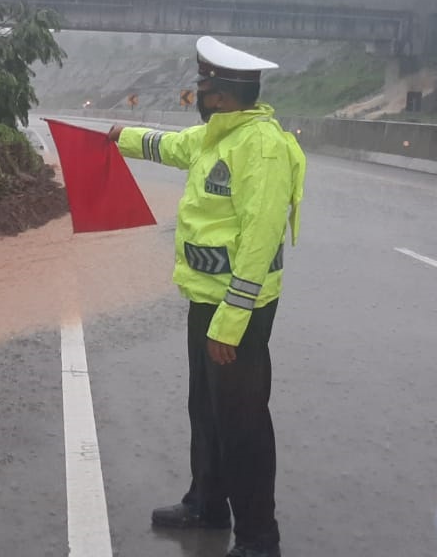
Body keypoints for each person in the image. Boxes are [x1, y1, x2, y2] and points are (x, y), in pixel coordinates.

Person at [107, 36, 307, 557]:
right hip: (205, 299)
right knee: (206, 409)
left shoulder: (259, 145)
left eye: (202, 86)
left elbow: (261, 239)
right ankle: (206, 504)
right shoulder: (218, 136)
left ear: (221, 94)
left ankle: (260, 539)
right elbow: (170, 147)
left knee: (242, 422)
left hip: (238, 309)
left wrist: (231, 319)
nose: (198, 94)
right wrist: (120, 137)